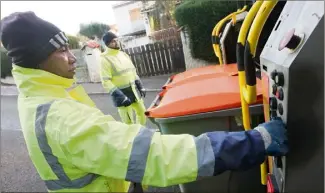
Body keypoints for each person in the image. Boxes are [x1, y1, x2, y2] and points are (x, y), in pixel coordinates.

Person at [0, 11, 288, 193]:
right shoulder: (58, 118)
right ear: (37, 58)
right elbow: (154, 155)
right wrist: (252, 143)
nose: (73, 56)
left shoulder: (42, 96)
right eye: (62, 50)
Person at [100, 32, 147, 125]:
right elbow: (105, 81)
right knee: (128, 121)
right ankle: (131, 138)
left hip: (133, 91)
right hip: (121, 95)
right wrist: (120, 96)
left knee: (142, 112)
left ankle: (140, 132)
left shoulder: (123, 55)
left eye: (117, 40)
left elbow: (133, 72)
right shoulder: (105, 59)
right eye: (113, 41)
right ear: (107, 44)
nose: (117, 43)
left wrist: (140, 86)